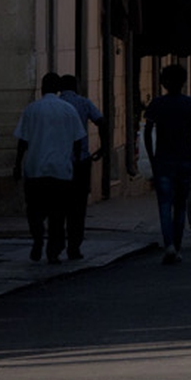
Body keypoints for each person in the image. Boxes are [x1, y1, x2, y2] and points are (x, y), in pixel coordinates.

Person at [12, 72, 85, 265]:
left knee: (34, 210)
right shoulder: (69, 110)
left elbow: (23, 141)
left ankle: (37, 238)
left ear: (43, 88)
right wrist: (74, 160)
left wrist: (17, 165)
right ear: (58, 88)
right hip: (61, 170)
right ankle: (53, 251)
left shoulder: (32, 110)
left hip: (35, 169)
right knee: (57, 214)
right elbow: (78, 140)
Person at [143, 64, 191, 264]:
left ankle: (168, 244)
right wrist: (190, 152)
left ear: (164, 82)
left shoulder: (157, 104)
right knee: (180, 206)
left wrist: (152, 157)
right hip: (184, 160)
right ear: (183, 81)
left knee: (164, 204)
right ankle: (177, 248)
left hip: (163, 160)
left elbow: (147, 132)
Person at [57, 74, 107, 261]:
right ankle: (74, 247)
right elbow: (101, 121)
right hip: (80, 162)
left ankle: (57, 243)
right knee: (78, 207)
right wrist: (102, 146)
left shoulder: (56, 105)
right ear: (76, 86)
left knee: (60, 205)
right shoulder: (84, 103)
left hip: (60, 161)